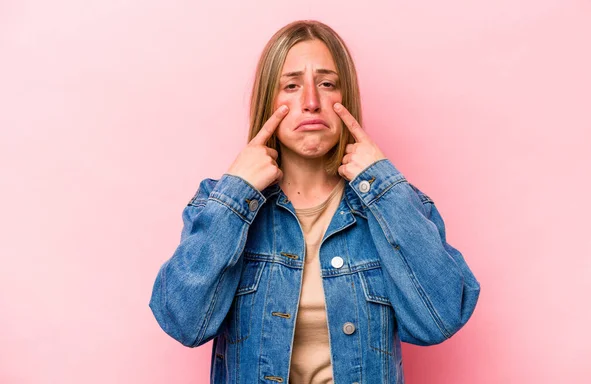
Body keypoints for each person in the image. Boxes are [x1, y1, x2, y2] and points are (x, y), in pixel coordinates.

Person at [149, 19, 480, 383]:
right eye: (291, 86)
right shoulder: (220, 203)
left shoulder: (394, 205)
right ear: (268, 102)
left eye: (326, 84)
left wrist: (383, 186)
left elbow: (440, 319)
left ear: (346, 98)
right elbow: (183, 322)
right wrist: (237, 193)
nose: (310, 102)